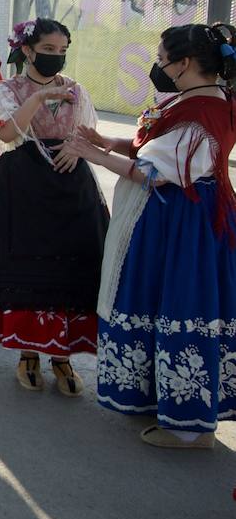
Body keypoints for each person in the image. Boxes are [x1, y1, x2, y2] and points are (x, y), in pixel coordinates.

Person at [63, 23, 236, 448]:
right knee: (160, 302)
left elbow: (155, 174)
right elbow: (151, 147)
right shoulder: (193, 101)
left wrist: (95, 155)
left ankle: (188, 426)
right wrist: (108, 140)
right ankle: (164, 402)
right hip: (174, 221)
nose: (158, 66)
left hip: (183, 225)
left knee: (181, 304)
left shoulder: (204, 112)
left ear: (185, 63)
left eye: (161, 59)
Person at [0, 19, 108, 397]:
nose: (55, 57)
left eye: (61, 51)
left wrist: (76, 147)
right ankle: (28, 351)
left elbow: (86, 132)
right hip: (22, 180)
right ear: (27, 50)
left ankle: (63, 355)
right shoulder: (7, 90)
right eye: (49, 49)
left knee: (76, 263)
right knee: (25, 263)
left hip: (71, 180)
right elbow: (6, 134)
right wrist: (37, 99)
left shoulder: (76, 90)